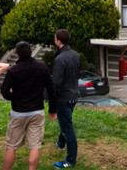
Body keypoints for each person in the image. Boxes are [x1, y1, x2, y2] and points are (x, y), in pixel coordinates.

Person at [0, 42, 57, 170]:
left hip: (18, 112)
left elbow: (4, 90)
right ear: (31, 52)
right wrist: (53, 109)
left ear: (17, 55)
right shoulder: (42, 68)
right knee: (35, 146)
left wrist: (13, 97)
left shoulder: (13, 70)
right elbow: (51, 89)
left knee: (11, 146)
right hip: (36, 111)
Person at [51, 29, 81, 169]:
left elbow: (56, 82)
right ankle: (61, 142)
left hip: (63, 97)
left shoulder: (59, 59)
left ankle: (70, 160)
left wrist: (51, 98)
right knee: (66, 121)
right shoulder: (76, 55)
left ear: (58, 41)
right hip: (74, 94)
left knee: (68, 128)